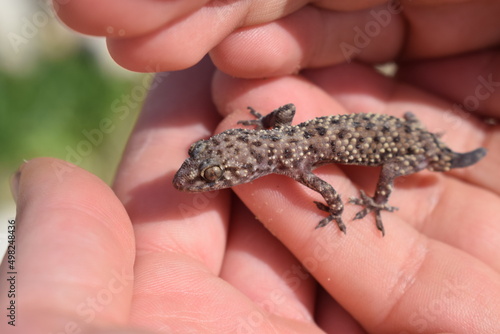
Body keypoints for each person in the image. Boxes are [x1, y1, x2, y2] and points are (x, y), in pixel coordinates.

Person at [2, 1, 499, 333]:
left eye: (211, 176)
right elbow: (284, 120)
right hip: (395, 125)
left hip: (408, 149)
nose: (190, 180)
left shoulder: (294, 160)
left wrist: (354, 205)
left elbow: (327, 191)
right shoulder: (283, 143)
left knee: (390, 169)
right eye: (203, 166)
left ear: (249, 162)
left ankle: (385, 194)